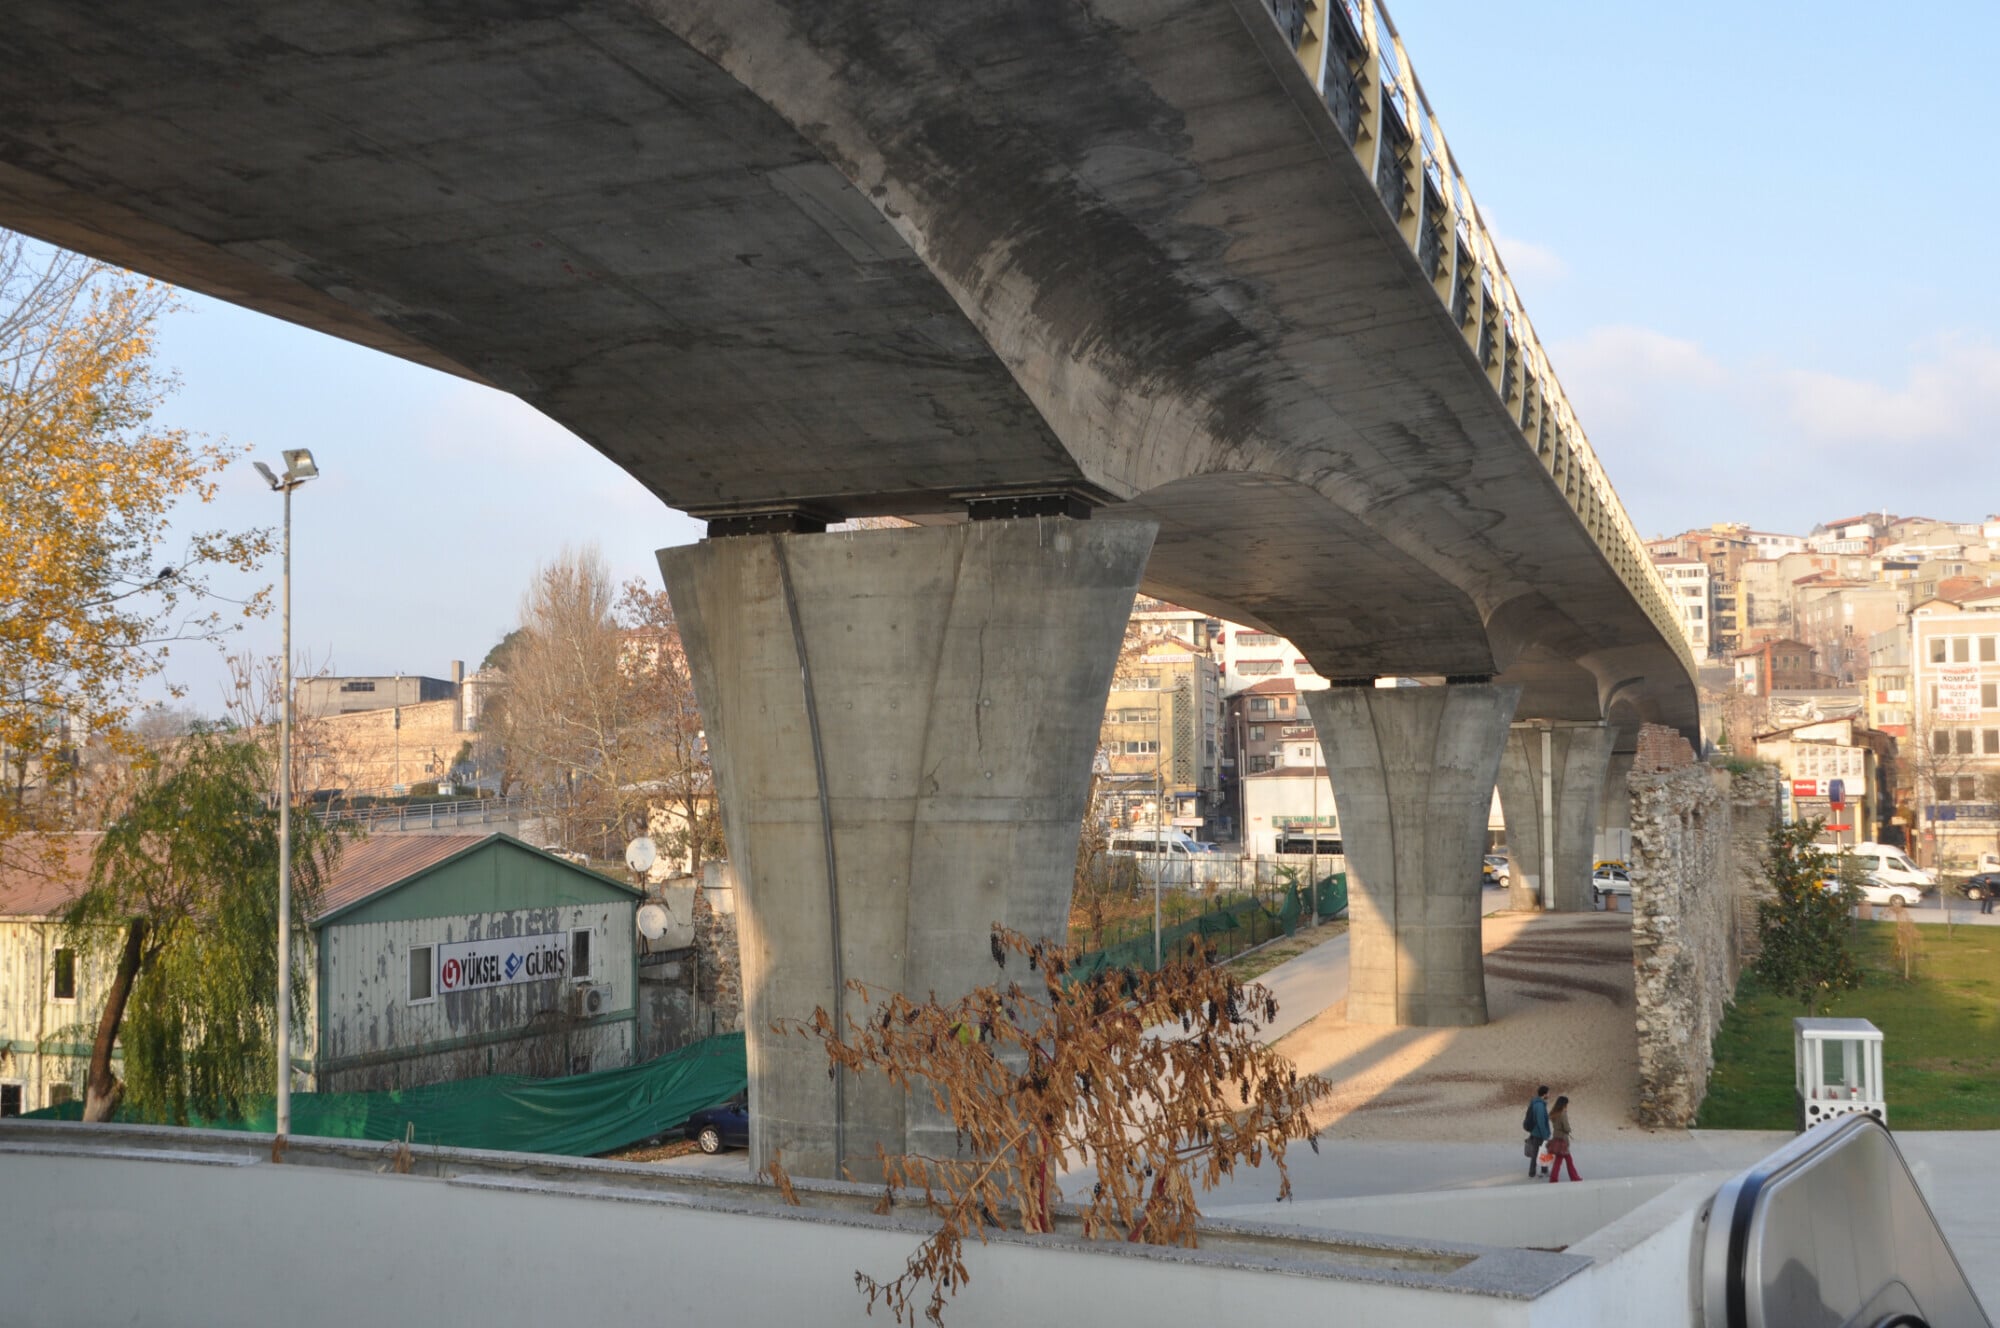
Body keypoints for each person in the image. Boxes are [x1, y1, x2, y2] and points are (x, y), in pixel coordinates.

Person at [1547, 1094, 1579, 1183]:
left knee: (1560, 1160)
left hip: (1556, 1137)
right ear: (1564, 1104)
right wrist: (1569, 1130)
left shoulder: (1554, 1113)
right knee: (1567, 1160)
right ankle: (1574, 1177)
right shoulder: (1563, 1113)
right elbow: (1566, 1127)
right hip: (1563, 1139)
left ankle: (1554, 1178)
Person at [1522, 1084, 1552, 1178]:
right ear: (1544, 1094)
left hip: (1535, 1132)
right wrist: (1545, 1135)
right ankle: (1541, 1172)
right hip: (1539, 1134)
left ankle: (1534, 1172)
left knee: (1538, 1153)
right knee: (1541, 1152)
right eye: (1548, 1093)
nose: (1549, 1095)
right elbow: (1541, 1122)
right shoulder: (1539, 1105)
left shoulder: (1537, 1103)